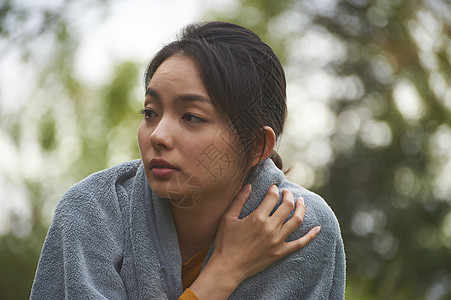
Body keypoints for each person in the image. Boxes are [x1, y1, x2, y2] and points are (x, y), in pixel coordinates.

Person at [31, 21, 345, 299]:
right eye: (150, 113)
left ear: (256, 146)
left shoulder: (301, 228)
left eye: (192, 117)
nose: (158, 135)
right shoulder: (92, 211)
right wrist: (224, 272)